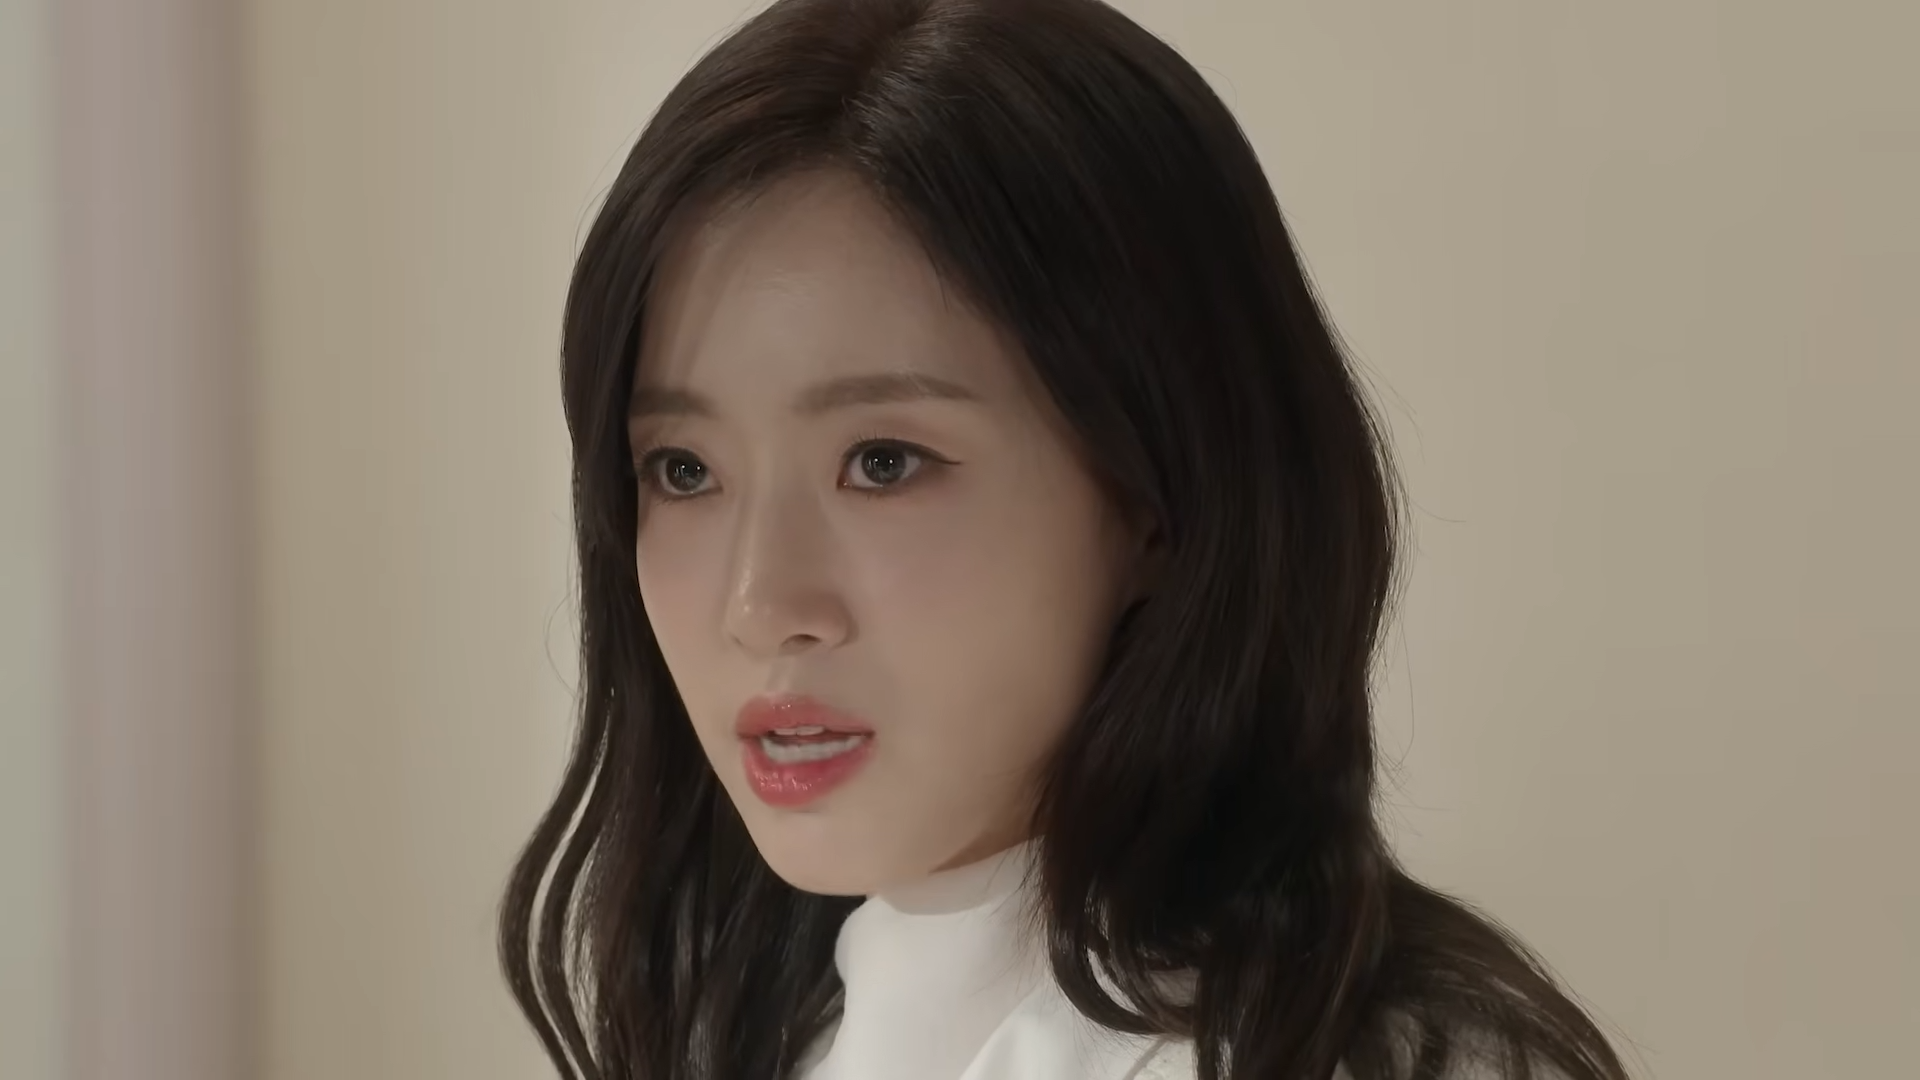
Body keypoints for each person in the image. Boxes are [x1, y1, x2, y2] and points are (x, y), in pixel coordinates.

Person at [499, 1, 1630, 1078]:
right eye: (684, 470)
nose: (759, 604)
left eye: (883, 462)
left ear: (1157, 499)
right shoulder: (767, 1029)